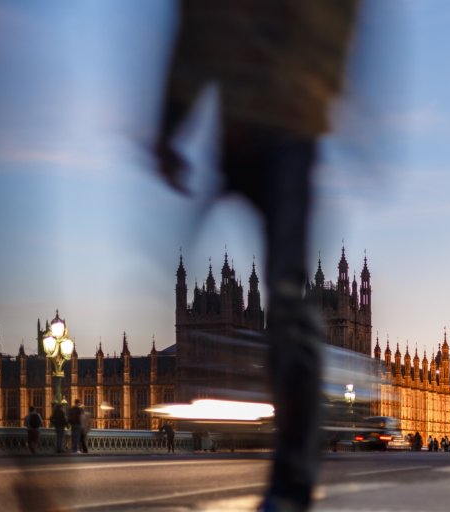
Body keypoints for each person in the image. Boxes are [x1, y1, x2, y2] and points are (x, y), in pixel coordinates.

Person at [153, 4, 359, 509]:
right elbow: (196, 28)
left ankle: (293, 470)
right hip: (246, 127)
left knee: (288, 301)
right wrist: (172, 120)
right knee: (279, 297)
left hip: (286, 126)